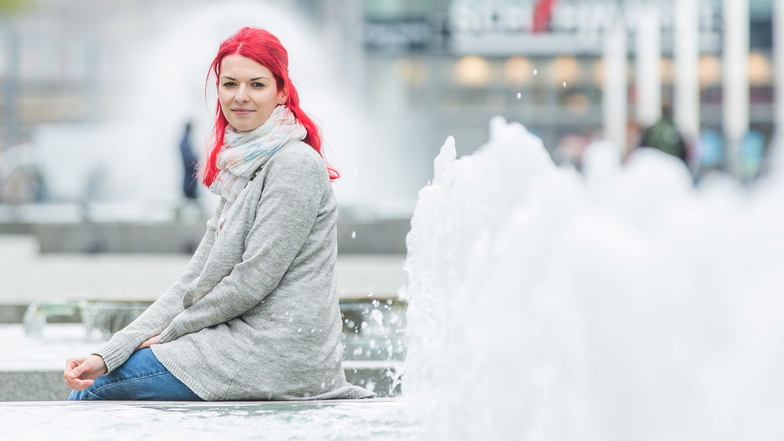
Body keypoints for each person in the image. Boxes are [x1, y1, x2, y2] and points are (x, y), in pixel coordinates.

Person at [64, 27, 375, 401]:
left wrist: (171, 333)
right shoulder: (241, 170)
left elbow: (252, 281)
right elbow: (194, 280)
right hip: (235, 343)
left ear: (281, 92)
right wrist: (111, 351)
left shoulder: (294, 165)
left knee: (96, 392)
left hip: (276, 358)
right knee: (100, 379)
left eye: (256, 85)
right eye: (229, 84)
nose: (240, 97)